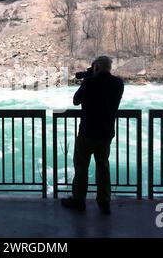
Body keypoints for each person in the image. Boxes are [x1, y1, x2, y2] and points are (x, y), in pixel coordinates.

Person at [61, 56, 124, 215]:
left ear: (96, 67)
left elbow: (76, 100)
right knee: (103, 167)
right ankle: (104, 202)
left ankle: (79, 199)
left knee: (81, 167)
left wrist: (87, 81)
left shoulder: (89, 83)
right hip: (106, 133)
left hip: (88, 132)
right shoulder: (118, 83)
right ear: (109, 67)